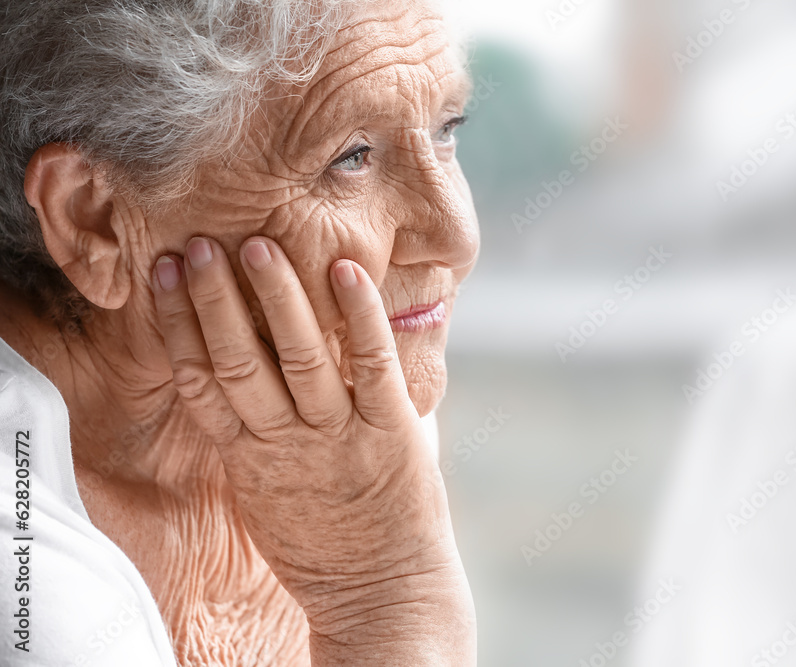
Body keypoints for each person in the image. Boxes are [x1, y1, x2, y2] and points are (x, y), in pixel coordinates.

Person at [0, 0, 479, 664]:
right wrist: (387, 597)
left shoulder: (346, 413)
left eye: (448, 126)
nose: (458, 238)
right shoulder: (20, 577)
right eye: (352, 156)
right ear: (96, 220)